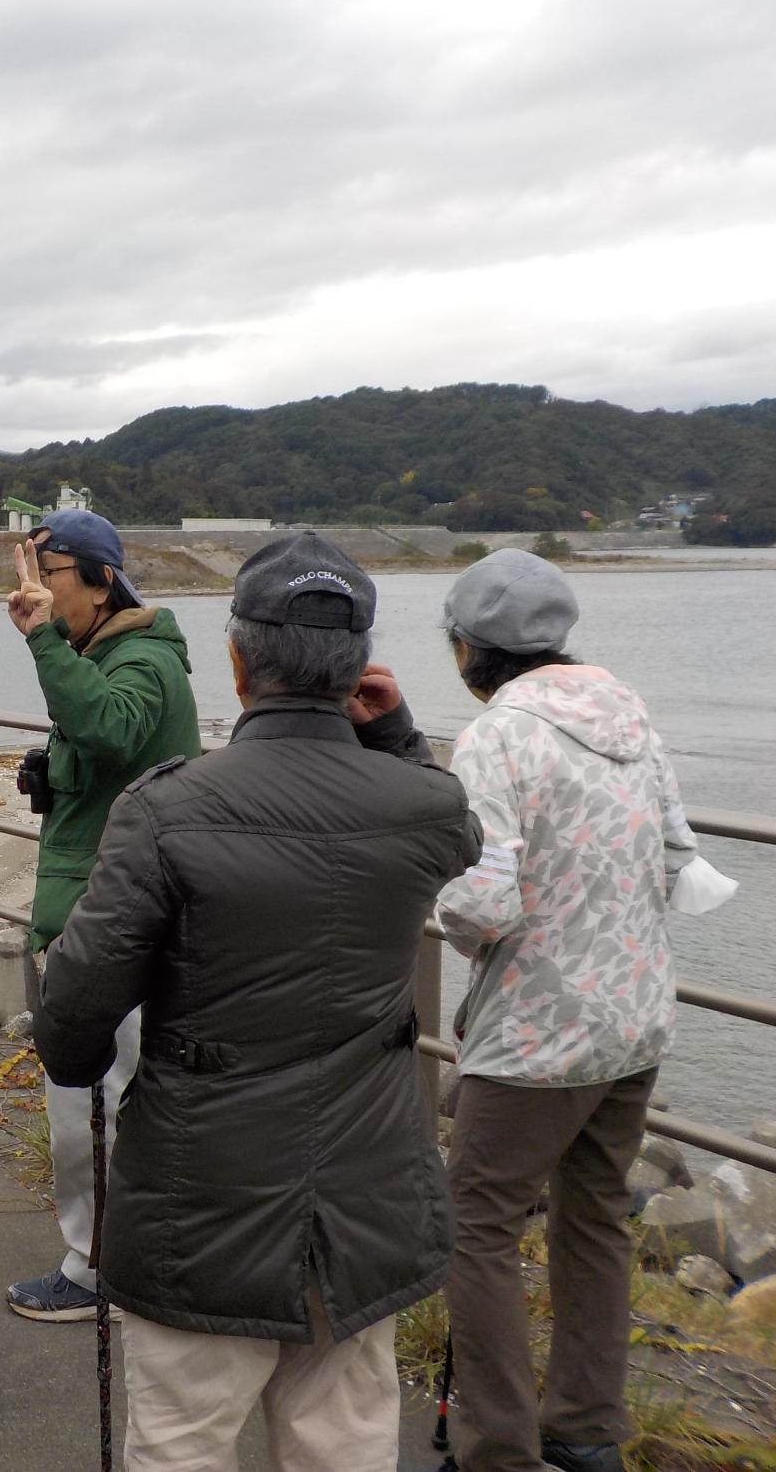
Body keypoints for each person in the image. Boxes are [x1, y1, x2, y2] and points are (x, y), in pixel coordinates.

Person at [35, 530, 481, 1472]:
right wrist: (393, 733)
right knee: (343, 1441)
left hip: (200, 1207)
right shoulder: (422, 808)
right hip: (366, 1206)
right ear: (359, 666)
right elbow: (459, 821)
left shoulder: (165, 810)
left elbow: (71, 1027)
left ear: (237, 664)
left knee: (182, 1442)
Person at [437, 548, 697, 1472]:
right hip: (635, 1015)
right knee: (593, 1221)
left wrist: (451, 924)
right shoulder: (628, 715)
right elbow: (680, 858)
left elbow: (481, 899)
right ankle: (587, 1430)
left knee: (478, 1227)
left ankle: (497, 1451)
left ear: (470, 648)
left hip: (538, 1034)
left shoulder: (498, 737)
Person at [3, 509, 201, 1323]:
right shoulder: (108, 655)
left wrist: (42, 643)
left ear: (99, 577)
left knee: (89, 1101)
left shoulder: (145, 661)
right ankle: (126, 1261)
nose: (31, 594)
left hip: (113, 925)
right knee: (109, 1098)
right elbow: (99, 753)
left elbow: (114, 726)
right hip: (103, 912)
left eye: (44, 576)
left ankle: (95, 1274)